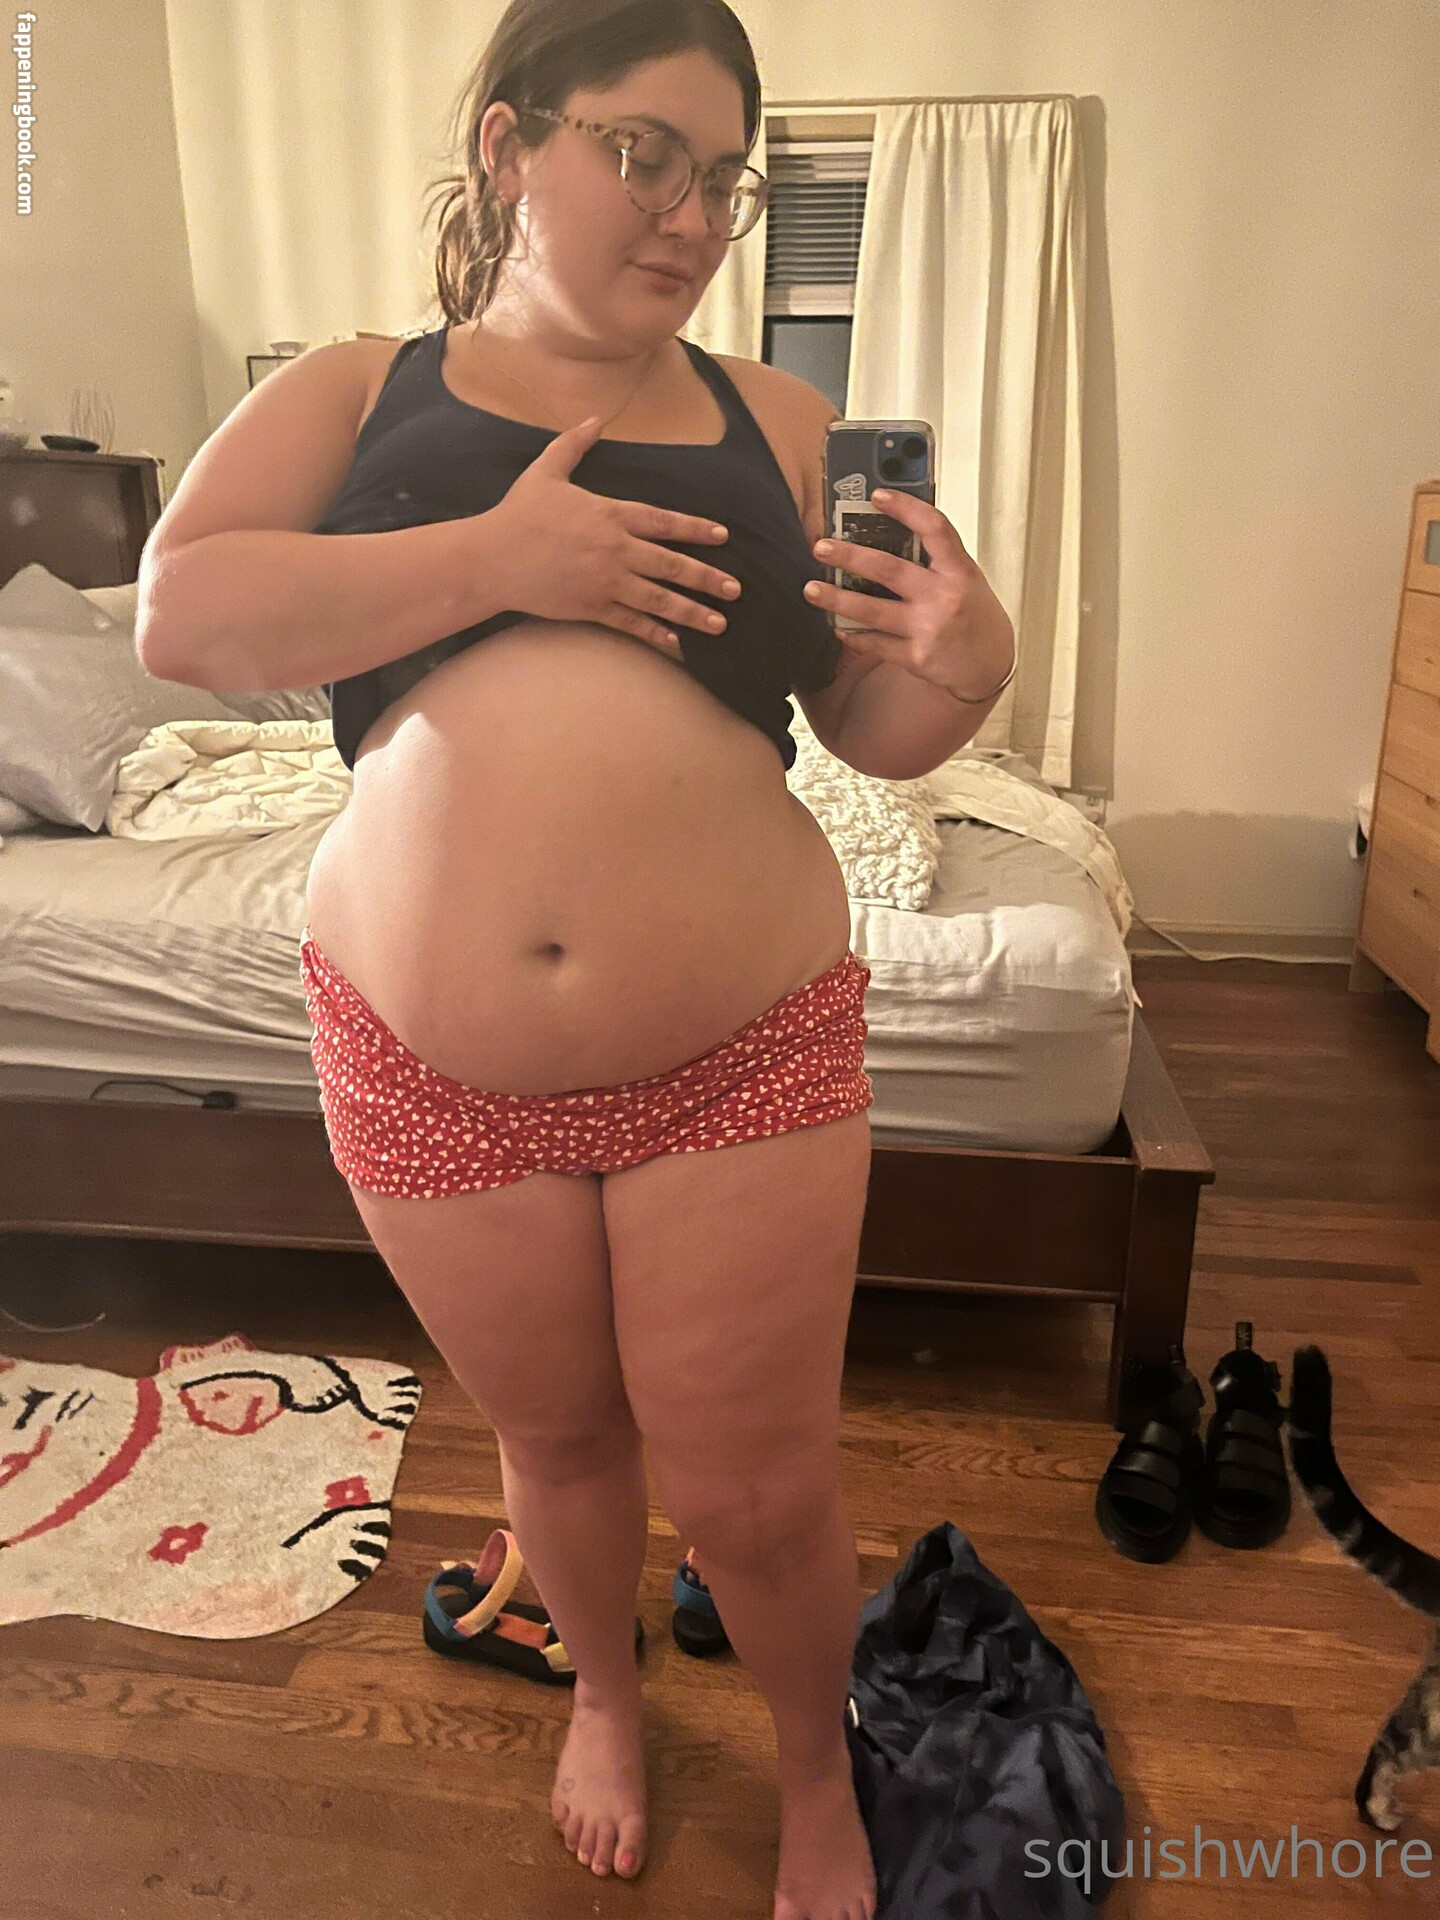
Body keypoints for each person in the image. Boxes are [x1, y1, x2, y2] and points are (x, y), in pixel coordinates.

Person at [136, 5, 1015, 1915]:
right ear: (511, 143)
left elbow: (871, 730)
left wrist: (969, 663)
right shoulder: (359, 394)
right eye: (645, 155)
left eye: (725, 180)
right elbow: (179, 617)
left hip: (737, 1048)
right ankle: (604, 1695)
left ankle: (814, 1782)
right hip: (421, 1056)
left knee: (758, 1488)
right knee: (555, 1438)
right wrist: (493, 559)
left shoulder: (781, 425)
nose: (692, 216)